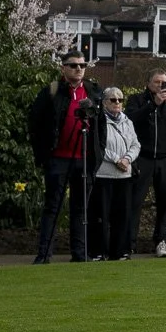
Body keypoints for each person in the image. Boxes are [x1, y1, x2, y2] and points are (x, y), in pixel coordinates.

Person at [29, 47, 101, 264]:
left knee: (80, 209)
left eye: (82, 65)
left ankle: (79, 254)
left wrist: (99, 152)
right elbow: (35, 123)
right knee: (53, 207)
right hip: (58, 158)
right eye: (73, 65)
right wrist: (44, 154)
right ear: (63, 68)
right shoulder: (52, 91)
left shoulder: (94, 91)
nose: (78, 69)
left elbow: (102, 126)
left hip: (85, 159)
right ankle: (44, 254)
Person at [127, 70, 166, 257]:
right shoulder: (136, 99)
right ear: (149, 83)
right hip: (143, 157)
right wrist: (153, 104)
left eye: (164, 82)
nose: (161, 86)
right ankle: (129, 242)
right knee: (135, 201)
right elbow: (131, 119)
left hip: (165, 158)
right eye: (157, 82)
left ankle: (162, 240)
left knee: (165, 201)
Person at [92, 87, 139, 260]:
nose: (117, 103)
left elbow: (136, 144)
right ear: (104, 102)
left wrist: (127, 159)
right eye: (113, 100)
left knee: (122, 215)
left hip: (124, 175)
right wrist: (116, 160)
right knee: (101, 216)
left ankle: (120, 251)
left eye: (120, 99)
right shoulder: (99, 120)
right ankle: (99, 251)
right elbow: (98, 144)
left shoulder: (127, 121)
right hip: (104, 175)